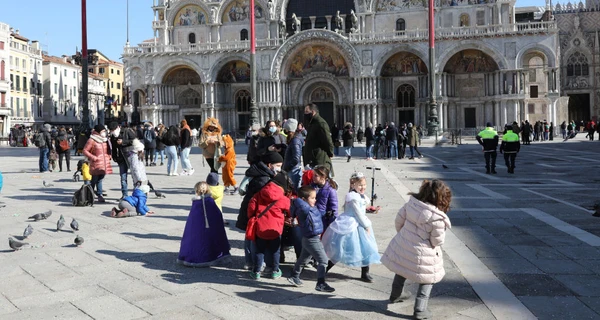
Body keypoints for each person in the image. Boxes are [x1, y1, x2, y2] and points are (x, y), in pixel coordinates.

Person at [382, 179, 452, 320]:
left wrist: (404, 236)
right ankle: (420, 310)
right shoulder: (437, 219)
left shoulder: (411, 204)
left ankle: (396, 294)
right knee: (428, 278)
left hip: (404, 244)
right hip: (425, 251)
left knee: (402, 267)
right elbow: (437, 241)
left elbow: (398, 221)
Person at [322, 172, 381, 282]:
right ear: (353, 184)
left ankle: (365, 273)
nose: (363, 187)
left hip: (360, 222)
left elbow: (361, 209)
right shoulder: (353, 197)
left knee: (366, 248)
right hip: (352, 224)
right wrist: (367, 226)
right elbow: (357, 213)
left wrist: (369, 209)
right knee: (341, 249)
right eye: (360, 185)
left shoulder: (360, 195)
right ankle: (325, 269)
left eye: (364, 185)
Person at [236, 151, 282, 270]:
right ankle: (253, 262)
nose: (279, 168)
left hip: (249, 209)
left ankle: (249, 261)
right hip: (255, 211)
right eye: (278, 165)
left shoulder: (257, 171)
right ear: (269, 165)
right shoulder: (264, 178)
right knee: (253, 238)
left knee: (249, 235)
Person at [287, 186, 335, 292]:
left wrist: (326, 214)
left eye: (315, 197)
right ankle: (320, 283)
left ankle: (294, 276)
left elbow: (316, 215)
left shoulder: (311, 208)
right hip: (312, 240)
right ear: (304, 200)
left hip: (308, 239)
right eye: (312, 198)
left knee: (303, 259)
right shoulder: (304, 209)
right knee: (323, 261)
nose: (315, 200)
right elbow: (301, 204)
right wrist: (297, 199)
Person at [247, 172, 292, 280]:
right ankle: (275, 271)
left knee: (259, 250)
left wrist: (252, 216)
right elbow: (290, 211)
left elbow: (251, 209)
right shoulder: (283, 198)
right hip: (275, 229)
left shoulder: (259, 194)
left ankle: (256, 271)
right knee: (275, 250)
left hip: (260, 228)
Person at [177, 181, 231, 267]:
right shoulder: (210, 201)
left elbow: (192, 219)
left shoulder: (196, 203)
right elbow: (217, 215)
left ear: (197, 190)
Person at [83, 125, 113, 203]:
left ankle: (99, 195)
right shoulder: (92, 140)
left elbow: (107, 150)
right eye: (103, 131)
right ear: (98, 131)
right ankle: (90, 194)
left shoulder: (105, 140)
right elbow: (85, 151)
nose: (104, 133)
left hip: (104, 163)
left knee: (100, 179)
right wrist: (93, 157)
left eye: (104, 131)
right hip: (96, 163)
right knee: (94, 180)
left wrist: (109, 156)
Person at [108, 122, 137, 199]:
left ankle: (136, 193)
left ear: (118, 127)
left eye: (113, 130)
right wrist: (115, 157)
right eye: (111, 130)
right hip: (121, 158)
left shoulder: (127, 131)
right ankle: (125, 194)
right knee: (123, 177)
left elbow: (135, 141)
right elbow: (113, 148)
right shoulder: (113, 136)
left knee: (135, 176)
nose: (112, 131)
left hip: (130, 156)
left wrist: (123, 142)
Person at [303, 103, 334, 173]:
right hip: (313, 159)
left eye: (306, 112)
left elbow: (327, 139)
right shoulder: (312, 122)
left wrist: (330, 152)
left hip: (319, 158)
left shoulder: (320, 123)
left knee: (321, 179)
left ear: (313, 112)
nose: (305, 114)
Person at [311, 165, 338, 232]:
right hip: (313, 217)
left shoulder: (330, 190)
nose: (313, 177)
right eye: (313, 175)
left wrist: (332, 220)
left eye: (316, 175)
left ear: (323, 177)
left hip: (324, 219)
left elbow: (334, 206)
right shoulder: (312, 186)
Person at [283, 119, 303, 192]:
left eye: (286, 129)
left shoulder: (295, 141)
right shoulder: (294, 139)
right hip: (292, 169)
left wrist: (287, 166)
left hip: (293, 170)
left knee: (293, 190)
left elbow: (296, 158)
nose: (284, 130)